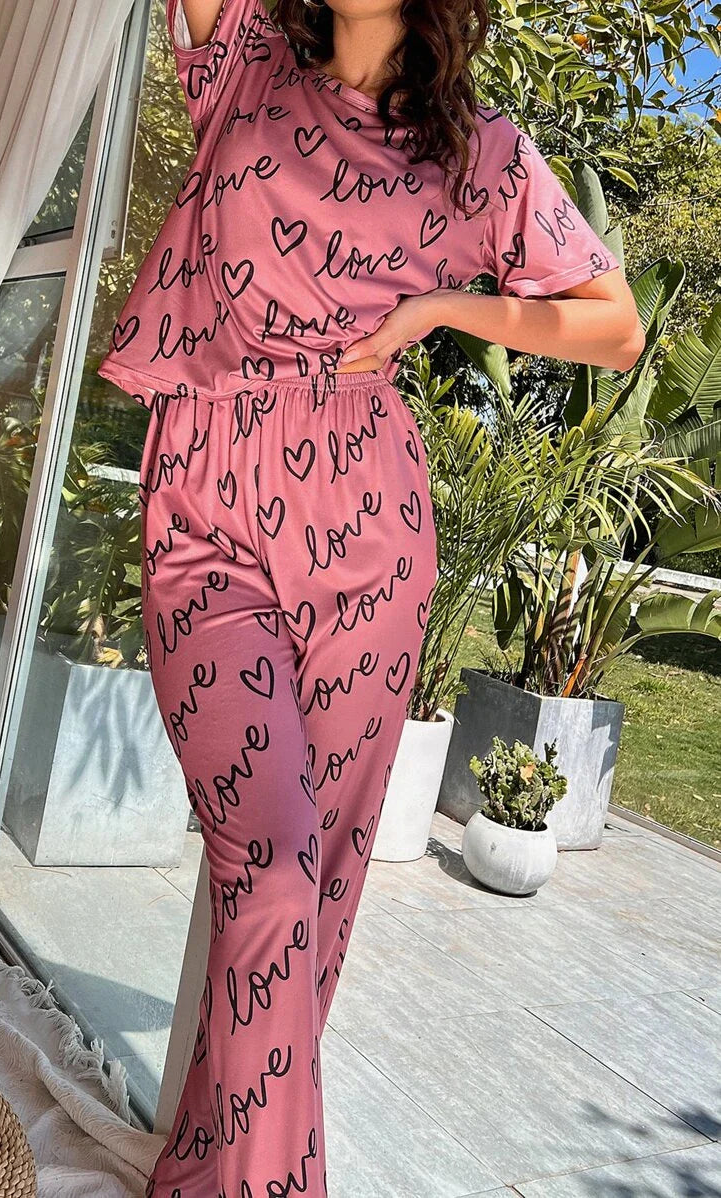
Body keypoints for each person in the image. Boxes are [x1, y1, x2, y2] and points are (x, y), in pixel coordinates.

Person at [96, 0, 644, 1193]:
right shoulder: (244, 60)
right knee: (273, 863)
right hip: (209, 497)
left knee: (319, 893)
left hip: (369, 524)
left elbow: (614, 328)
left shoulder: (483, 154)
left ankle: (205, 1172)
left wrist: (440, 310)